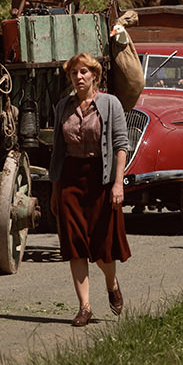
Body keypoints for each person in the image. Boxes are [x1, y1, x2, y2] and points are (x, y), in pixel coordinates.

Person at [49, 53, 130, 326]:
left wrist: (118, 183)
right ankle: (84, 307)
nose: (79, 77)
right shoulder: (63, 106)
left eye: (84, 72)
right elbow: (57, 151)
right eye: (74, 73)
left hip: (101, 179)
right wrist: (54, 189)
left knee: (101, 246)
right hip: (71, 178)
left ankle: (111, 283)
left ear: (95, 75)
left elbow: (121, 145)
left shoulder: (110, 104)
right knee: (75, 244)